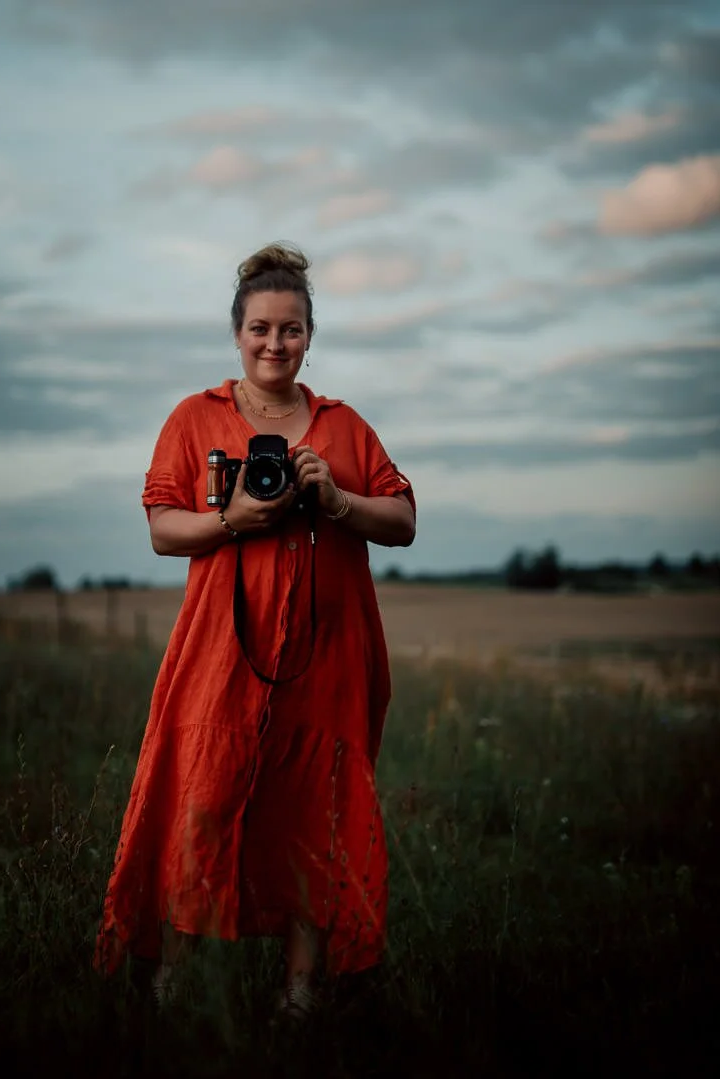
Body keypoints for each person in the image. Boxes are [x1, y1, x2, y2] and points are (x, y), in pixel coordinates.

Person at [93, 243, 416, 1020]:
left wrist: (336, 499)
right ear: (237, 333)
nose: (276, 343)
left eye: (291, 329)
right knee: (200, 801)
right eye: (261, 329)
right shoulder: (195, 416)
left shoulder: (343, 426)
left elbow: (403, 520)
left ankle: (301, 993)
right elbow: (162, 530)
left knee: (314, 812)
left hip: (326, 651)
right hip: (220, 650)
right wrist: (233, 518)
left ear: (310, 335)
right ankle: (174, 980)